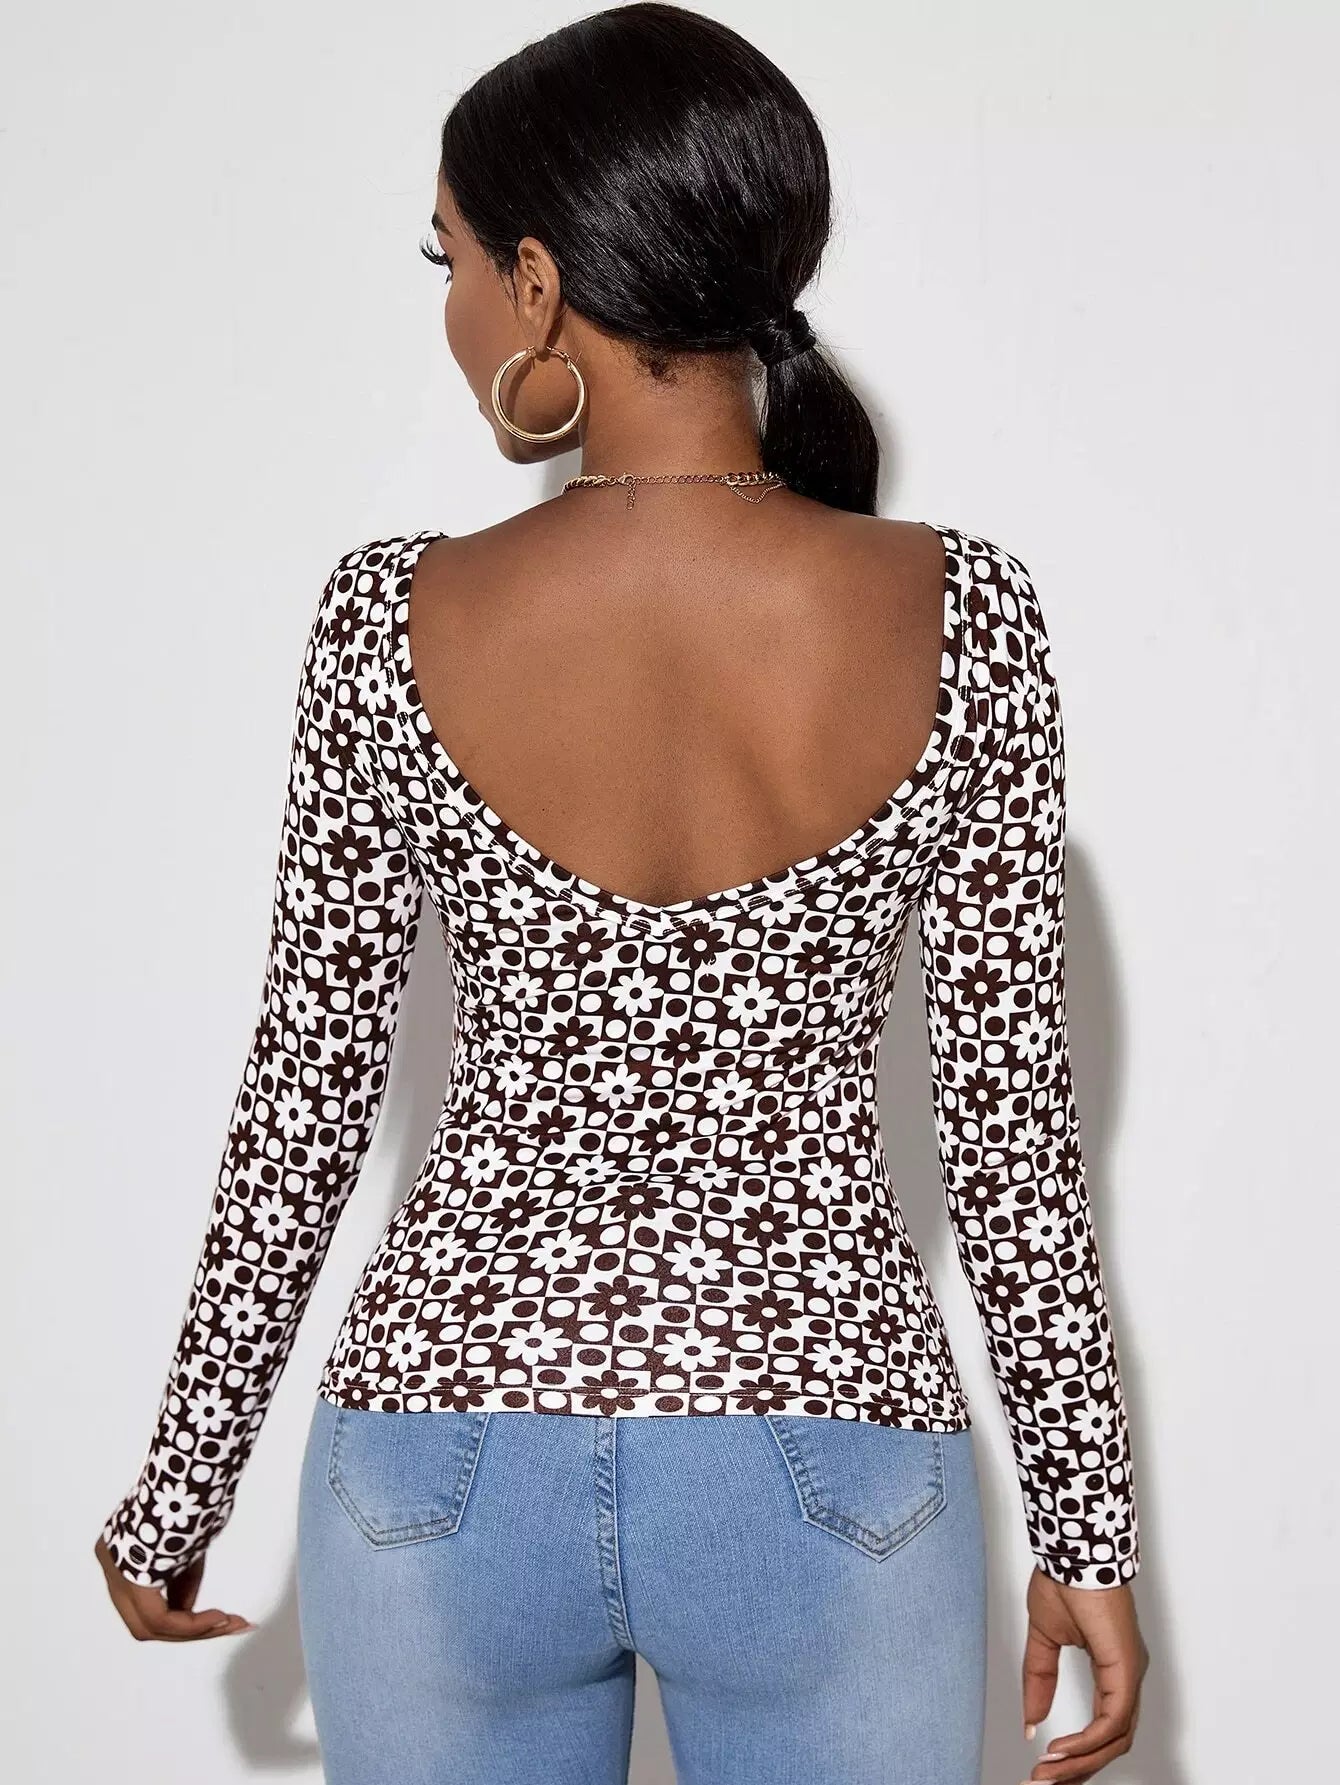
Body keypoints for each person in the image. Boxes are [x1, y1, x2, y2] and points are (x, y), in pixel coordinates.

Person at [95, 5, 1147, 1781]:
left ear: (536, 284)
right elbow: (1011, 1141)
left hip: (440, 1460)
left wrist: (182, 1478)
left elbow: (304, 1104)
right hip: (825, 1461)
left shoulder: (385, 622)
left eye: (447, 259)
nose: (448, 308)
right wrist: (1089, 1527)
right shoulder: (967, 614)